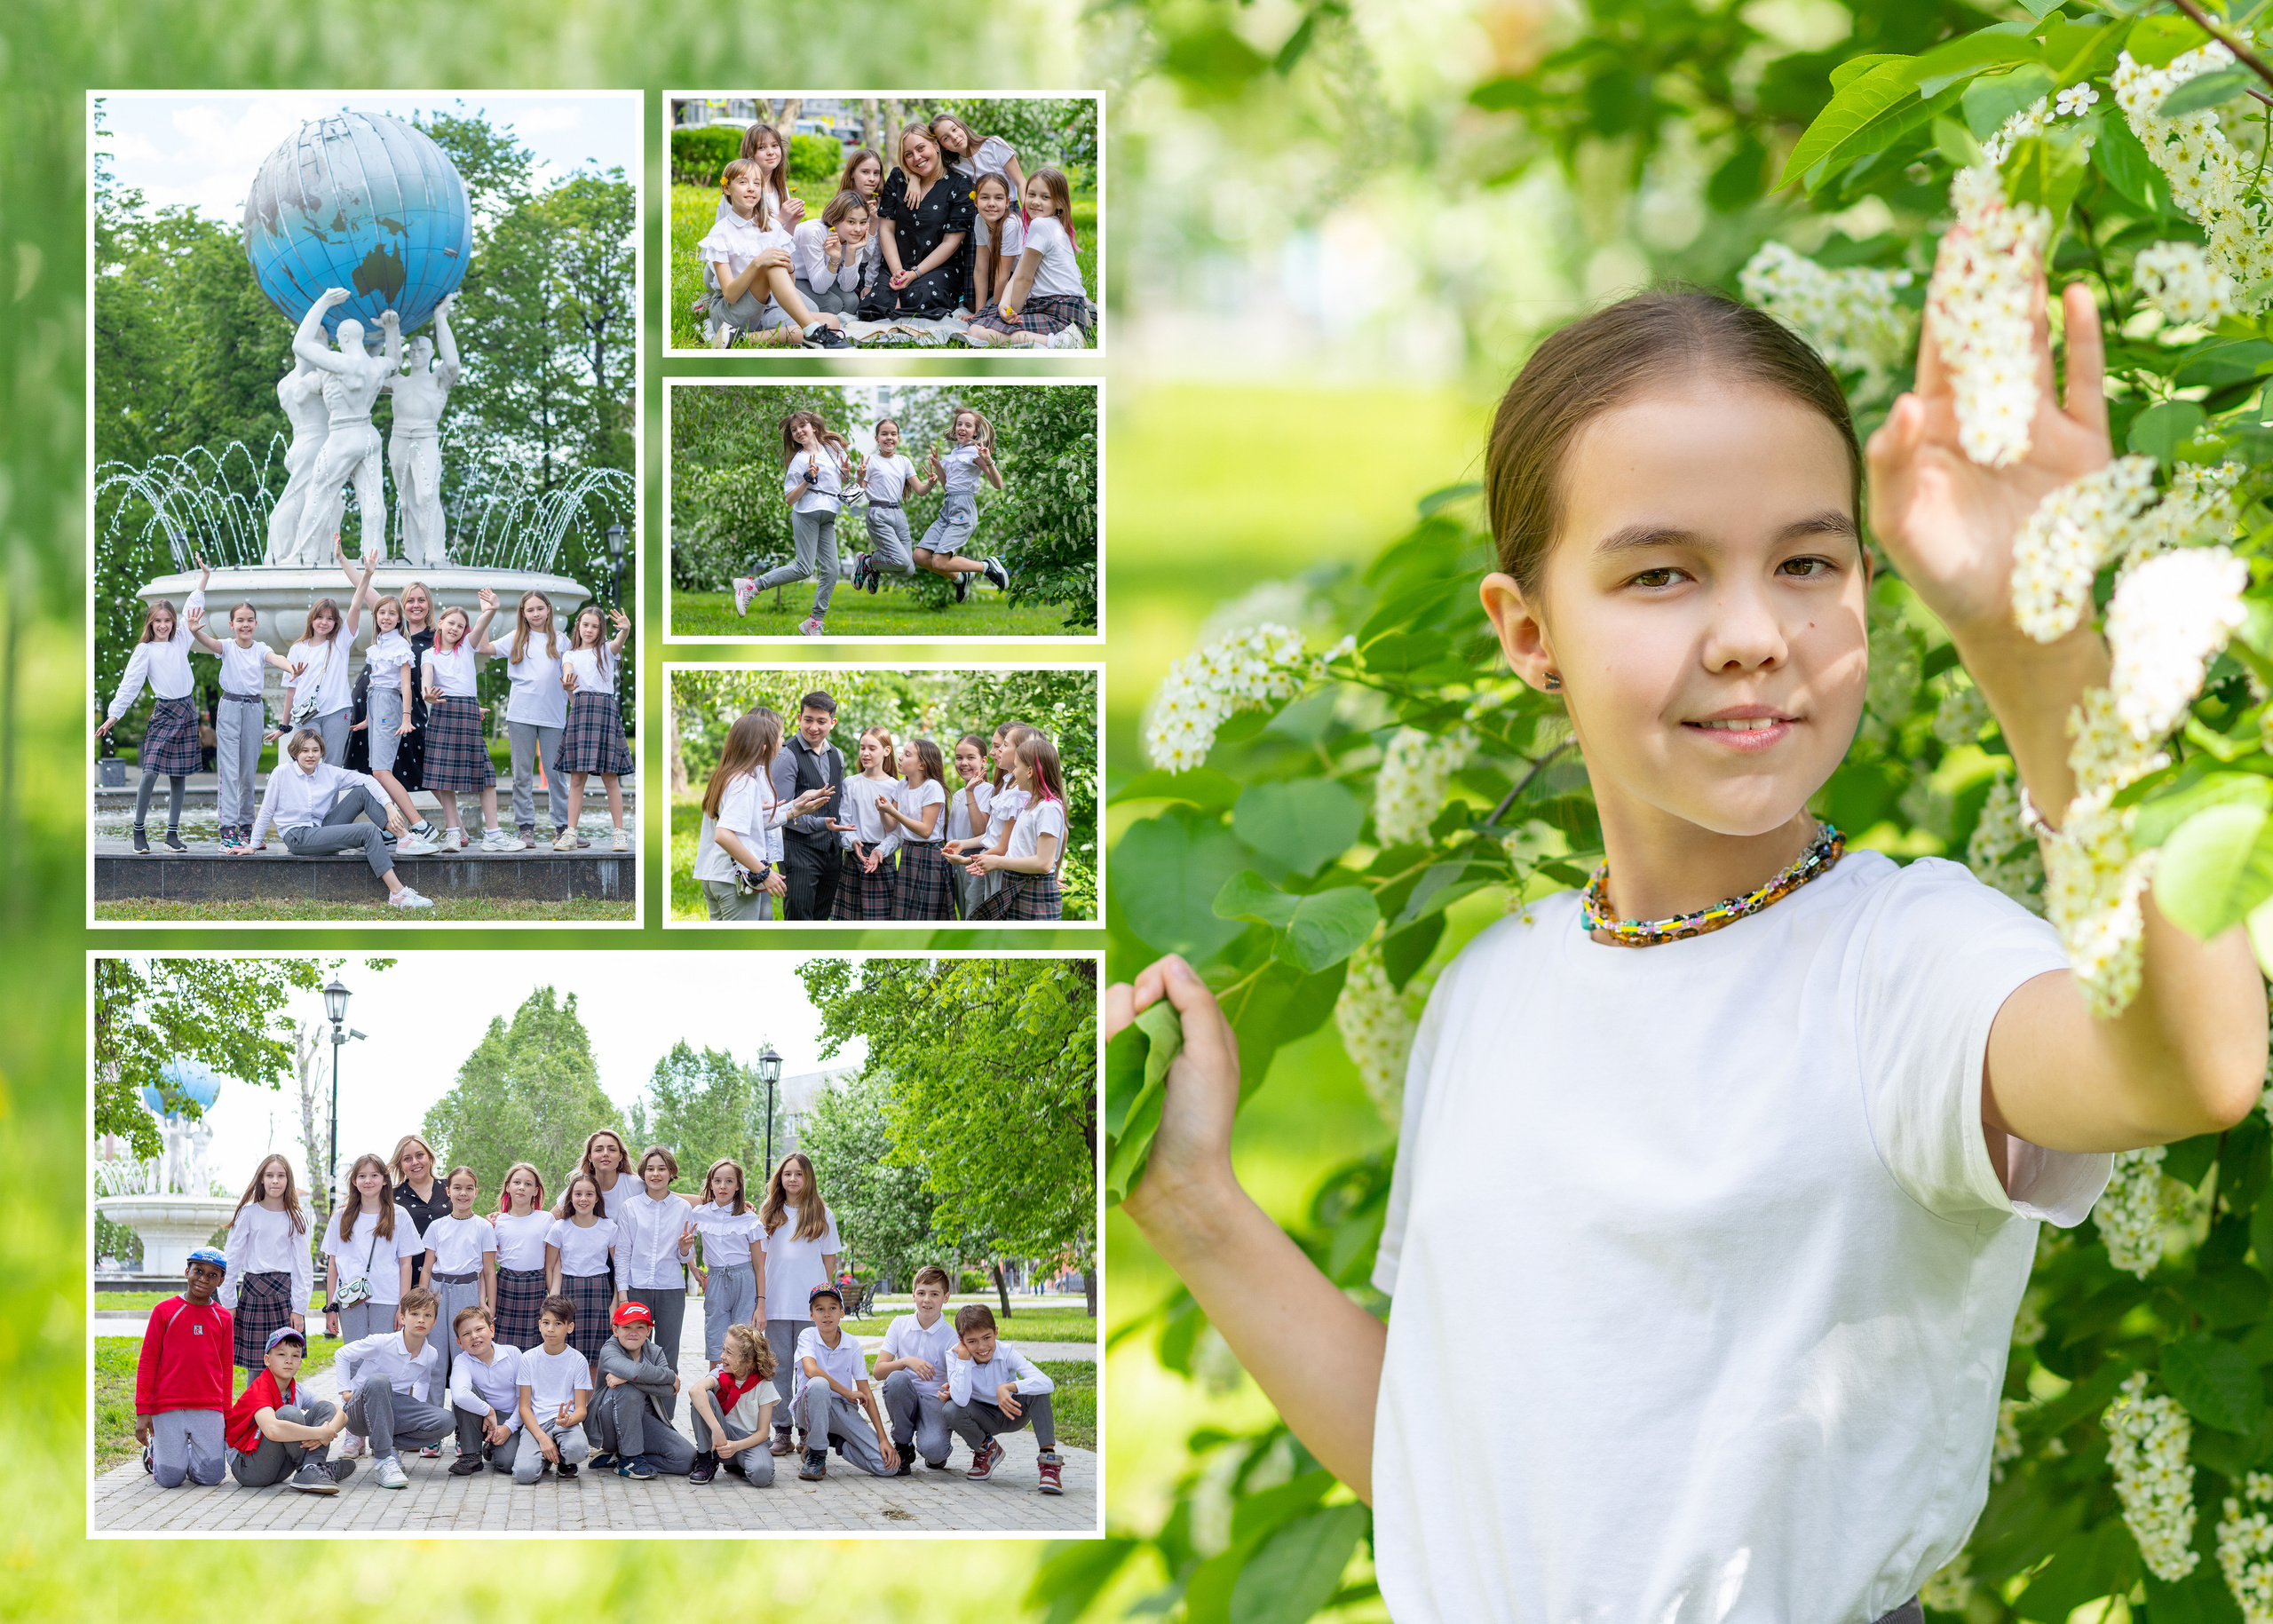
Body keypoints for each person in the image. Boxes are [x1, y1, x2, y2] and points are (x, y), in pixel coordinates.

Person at [1110, 281, 2273, 1622]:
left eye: (1808, 563)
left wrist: (2037, 655)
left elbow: (2193, 1066)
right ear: (1528, 632)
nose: (1750, 635)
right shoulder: (1491, 992)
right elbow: (1452, 1466)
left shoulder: (1904, 963)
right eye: (1661, 572)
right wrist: (1195, 1205)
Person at [240, 728, 432, 909]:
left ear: (321, 752)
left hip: (321, 827)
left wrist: (389, 805)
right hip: (298, 836)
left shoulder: (328, 772)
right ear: (295, 752)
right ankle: (398, 894)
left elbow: (368, 779)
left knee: (362, 792)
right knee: (368, 830)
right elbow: (266, 811)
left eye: (315, 750)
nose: (310, 755)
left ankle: (405, 838)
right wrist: (253, 845)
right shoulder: (281, 773)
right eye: (305, 750)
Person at [99, 560, 211, 853]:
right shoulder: (144, 650)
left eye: (168, 621)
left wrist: (204, 577)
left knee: (179, 776)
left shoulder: (181, 640)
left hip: (186, 711)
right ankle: (139, 830)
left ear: (173, 623)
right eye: (157, 621)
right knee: (149, 771)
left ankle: (172, 834)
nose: (163, 626)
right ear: (150, 624)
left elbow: (191, 607)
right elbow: (130, 684)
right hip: (164, 713)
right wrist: (114, 715)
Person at [183, 589, 299, 851]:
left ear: (256, 625)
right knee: (229, 771)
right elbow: (208, 642)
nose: (245, 625)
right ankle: (227, 831)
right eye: (240, 620)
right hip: (231, 707)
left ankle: (247, 830)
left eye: (250, 620)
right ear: (232, 624)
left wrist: (290, 667)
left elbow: (276, 658)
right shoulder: (226, 646)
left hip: (254, 709)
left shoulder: (261, 649)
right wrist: (194, 631)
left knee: (248, 773)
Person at [691, 706, 829, 921]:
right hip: (733, 880)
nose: (782, 743)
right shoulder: (744, 783)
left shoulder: (725, 775)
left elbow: (745, 821)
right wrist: (763, 872)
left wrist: (794, 808)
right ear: (764, 747)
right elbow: (723, 834)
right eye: (779, 738)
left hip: (713, 877)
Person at [695, 157, 848, 350]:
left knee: (831, 321)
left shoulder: (773, 227)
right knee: (770, 265)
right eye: (743, 182)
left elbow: (788, 285)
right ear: (727, 188)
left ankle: (742, 339)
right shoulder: (721, 233)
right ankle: (811, 332)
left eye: (757, 183)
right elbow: (730, 295)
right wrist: (757, 263)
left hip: (768, 308)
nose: (751, 188)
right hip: (733, 312)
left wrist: (790, 268)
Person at [731, 410, 853, 637]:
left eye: (801, 426)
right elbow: (789, 499)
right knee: (804, 568)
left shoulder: (833, 448)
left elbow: (841, 480)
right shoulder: (799, 461)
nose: (798, 432)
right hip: (806, 513)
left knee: (832, 569)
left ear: (813, 427)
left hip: (828, 516)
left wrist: (846, 473)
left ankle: (814, 622)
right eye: (793, 430)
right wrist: (807, 479)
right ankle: (752, 586)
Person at [467, 589, 568, 851]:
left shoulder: (563, 641)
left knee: (556, 774)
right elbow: (482, 647)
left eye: (539, 608)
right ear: (523, 613)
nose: (535, 614)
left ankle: (563, 829)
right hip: (521, 715)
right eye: (530, 610)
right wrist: (488, 612)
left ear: (548, 609)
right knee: (521, 774)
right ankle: (526, 829)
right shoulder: (516, 638)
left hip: (554, 717)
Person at [757, 1152, 842, 1456]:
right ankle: (782, 1431)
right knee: (777, 1370)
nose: (792, 1179)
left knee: (809, 1372)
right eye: (787, 1174)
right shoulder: (770, 1213)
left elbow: (828, 1264)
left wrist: (824, 1306)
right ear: (780, 1178)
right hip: (777, 1306)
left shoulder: (822, 1214)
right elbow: (761, 1262)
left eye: (799, 1174)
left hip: (810, 1310)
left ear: (808, 1179)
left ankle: (807, 1431)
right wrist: (761, 1303)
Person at [321, 1152, 425, 1383]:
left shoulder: (400, 1215)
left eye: (374, 1175)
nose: (368, 1181)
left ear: (385, 1180)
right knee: (354, 1358)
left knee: (384, 1359)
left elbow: (406, 1264)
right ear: (354, 1181)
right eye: (362, 1176)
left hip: (387, 1298)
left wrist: (403, 1306)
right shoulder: (341, 1217)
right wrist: (330, 1307)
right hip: (350, 1300)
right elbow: (333, 1265)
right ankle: (354, 1414)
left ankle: (382, 1414)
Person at [419, 597, 512, 852]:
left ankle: (493, 834)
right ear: (440, 623)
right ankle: (452, 833)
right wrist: (427, 694)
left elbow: (481, 626)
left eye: (461, 626)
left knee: (486, 774)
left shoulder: (467, 648)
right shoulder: (429, 654)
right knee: (443, 778)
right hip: (442, 710)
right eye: (451, 623)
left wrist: (491, 610)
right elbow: (426, 678)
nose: (455, 629)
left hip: (468, 712)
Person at [134, 1248, 233, 1488]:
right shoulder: (164, 1311)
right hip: (168, 1405)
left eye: (212, 1275)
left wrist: (226, 1413)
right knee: (169, 1480)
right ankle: (157, 1453)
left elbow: (226, 1369)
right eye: (198, 1271)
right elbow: (148, 1362)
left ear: (221, 1280)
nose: (203, 1279)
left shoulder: (224, 1318)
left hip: (208, 1405)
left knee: (211, 1478)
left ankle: (184, 1448)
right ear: (187, 1271)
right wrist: (142, 1410)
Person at [336, 1284, 449, 1490]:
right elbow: (342, 1354)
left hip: (393, 1411)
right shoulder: (382, 1342)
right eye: (414, 1313)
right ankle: (383, 1460)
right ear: (403, 1318)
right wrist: (345, 1391)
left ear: (434, 1321)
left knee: (446, 1420)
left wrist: (418, 1407)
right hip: (360, 1411)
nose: (421, 1319)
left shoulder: (430, 1354)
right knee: (379, 1381)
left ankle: (385, 1443)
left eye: (428, 1315)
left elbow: (423, 1381)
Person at [942, 1303, 1063, 1493]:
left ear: (996, 1332)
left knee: (1039, 1391)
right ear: (961, 1340)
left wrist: (1007, 1387)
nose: (982, 1347)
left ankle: (1049, 1464)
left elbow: (1047, 1382)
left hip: (1012, 1412)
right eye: (972, 1341)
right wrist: (964, 1359)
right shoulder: (955, 1356)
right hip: (983, 1418)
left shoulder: (1007, 1353)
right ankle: (987, 1449)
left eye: (987, 1338)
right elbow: (961, 1400)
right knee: (950, 1409)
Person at [965, 168, 1089, 349]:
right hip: (1060, 306)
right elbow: (1017, 276)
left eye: (1045, 197)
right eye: (1031, 194)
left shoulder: (1041, 225)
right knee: (987, 315)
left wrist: (1011, 313)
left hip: (1058, 310)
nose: (1036, 202)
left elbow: (1024, 280)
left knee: (976, 331)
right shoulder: (1047, 224)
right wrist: (1003, 307)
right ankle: (1075, 324)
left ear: (1059, 203)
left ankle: (1061, 341)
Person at [280, 540, 377, 764]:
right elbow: (290, 691)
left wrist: (366, 575)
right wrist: (284, 725)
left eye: (330, 618)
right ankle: (306, 802)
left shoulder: (340, 643)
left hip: (337, 712)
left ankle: (330, 803)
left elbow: (355, 605)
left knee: (332, 765)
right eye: (320, 617)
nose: (324, 622)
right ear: (312, 619)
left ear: (336, 623)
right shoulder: (297, 649)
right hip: (306, 715)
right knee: (305, 762)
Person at [225, 1325, 352, 1493]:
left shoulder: (296, 1390)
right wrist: (320, 1434)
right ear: (267, 1360)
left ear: (300, 1363)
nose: (288, 1360)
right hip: (249, 1468)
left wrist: (328, 1431)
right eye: (281, 1354)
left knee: (325, 1407)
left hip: (280, 1466)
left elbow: (340, 1414)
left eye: (295, 1356)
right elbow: (272, 1430)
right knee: (288, 1414)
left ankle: (312, 1466)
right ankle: (315, 1467)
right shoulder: (259, 1389)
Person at [218, 1152, 313, 1374]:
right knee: (256, 1366)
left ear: (288, 1180)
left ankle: (283, 1409)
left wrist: (298, 1309)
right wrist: (229, 1303)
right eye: (270, 1175)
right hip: (253, 1294)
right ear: (261, 1178)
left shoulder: (296, 1217)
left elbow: (303, 1267)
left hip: (284, 1296)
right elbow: (231, 1260)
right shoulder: (248, 1214)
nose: (275, 1181)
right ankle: (255, 1408)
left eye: (281, 1175)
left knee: (285, 1363)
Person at [352, 590, 434, 848]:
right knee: (378, 771)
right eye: (381, 612)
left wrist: (407, 717)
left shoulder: (399, 645)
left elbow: (405, 687)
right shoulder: (379, 645)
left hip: (389, 704)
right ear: (375, 616)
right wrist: (368, 718)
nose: (386, 617)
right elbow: (374, 683)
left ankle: (421, 825)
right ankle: (389, 829)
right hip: (377, 705)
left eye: (391, 613)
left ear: (399, 619)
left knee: (382, 771)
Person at [792, 1283, 898, 1481]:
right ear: (811, 1315)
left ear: (842, 1312)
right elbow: (811, 1370)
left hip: (841, 1408)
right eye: (819, 1309)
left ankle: (836, 1442)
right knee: (818, 1384)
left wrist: (883, 1439)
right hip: (808, 1407)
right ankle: (816, 1454)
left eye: (832, 1308)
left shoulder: (852, 1344)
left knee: (888, 1467)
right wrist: (848, 1392)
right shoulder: (807, 1335)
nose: (826, 1314)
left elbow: (866, 1392)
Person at [961, 732, 1070, 921]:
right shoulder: (1031, 806)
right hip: (1017, 884)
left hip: (1033, 891)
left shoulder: (1048, 808)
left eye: (1017, 767)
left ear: (1029, 772)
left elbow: (1043, 864)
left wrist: (998, 862)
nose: (1013, 773)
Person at [869, 123, 973, 321]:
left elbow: (951, 243)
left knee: (922, 297)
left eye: (920, 148)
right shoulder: (898, 179)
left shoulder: (960, 184)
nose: (916, 158)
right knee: (879, 301)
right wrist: (897, 271)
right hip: (898, 263)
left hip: (939, 267)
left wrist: (915, 273)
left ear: (935, 145)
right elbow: (886, 230)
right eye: (909, 154)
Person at [554, 605, 635, 852]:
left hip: (604, 711)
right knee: (577, 777)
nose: (589, 629)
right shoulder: (569, 655)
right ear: (578, 625)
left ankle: (619, 834)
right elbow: (568, 674)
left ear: (601, 630)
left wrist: (626, 629)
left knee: (610, 777)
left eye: (595, 626)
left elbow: (618, 643)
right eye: (585, 624)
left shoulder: (606, 650)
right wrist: (568, 683)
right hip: (581, 710)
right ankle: (570, 833)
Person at [590, 1300, 696, 1480]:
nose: (633, 1332)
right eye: (626, 1327)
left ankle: (621, 1459)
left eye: (640, 1327)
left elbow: (667, 1391)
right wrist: (670, 1376)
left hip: (641, 1420)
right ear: (616, 1330)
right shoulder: (610, 1350)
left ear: (648, 1331)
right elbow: (637, 1372)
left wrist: (627, 1379)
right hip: (608, 1422)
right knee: (629, 1392)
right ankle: (629, 1460)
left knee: (686, 1459)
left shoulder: (654, 1352)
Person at [612, 1145, 698, 1364]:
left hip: (671, 1289)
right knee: (634, 1354)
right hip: (637, 1288)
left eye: (662, 1169)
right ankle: (636, 1399)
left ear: (671, 1173)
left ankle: (666, 1399)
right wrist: (623, 1295)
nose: (656, 1174)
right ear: (643, 1173)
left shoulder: (683, 1208)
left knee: (669, 1355)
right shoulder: (630, 1207)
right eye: (650, 1169)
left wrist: (684, 1248)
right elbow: (622, 1254)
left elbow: (685, 1257)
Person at [915, 408, 1011, 602]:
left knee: (940, 562)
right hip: (948, 506)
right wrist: (938, 466)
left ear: (975, 432)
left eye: (968, 425)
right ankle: (961, 577)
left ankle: (987, 566)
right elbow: (947, 486)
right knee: (920, 557)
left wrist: (989, 461)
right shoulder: (954, 453)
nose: (962, 428)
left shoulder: (975, 454)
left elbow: (998, 484)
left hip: (963, 509)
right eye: (960, 424)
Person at [873, 1264, 958, 1473]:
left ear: (946, 1298)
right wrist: (906, 1361)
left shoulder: (951, 1336)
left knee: (934, 1450)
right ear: (913, 1295)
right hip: (905, 1396)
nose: (926, 1300)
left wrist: (951, 1390)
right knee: (896, 1380)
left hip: (934, 1399)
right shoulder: (899, 1324)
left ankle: (935, 1449)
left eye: (934, 1294)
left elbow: (958, 1379)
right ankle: (903, 1446)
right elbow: (878, 1371)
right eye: (921, 1293)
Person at [419, 1164, 498, 1390]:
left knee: (466, 1354)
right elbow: (426, 1268)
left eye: (469, 1188)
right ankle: (433, 1418)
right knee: (435, 1355)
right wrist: (424, 1302)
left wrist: (488, 1305)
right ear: (448, 1191)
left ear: (476, 1192)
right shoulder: (437, 1227)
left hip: (467, 1291)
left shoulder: (483, 1227)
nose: (463, 1193)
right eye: (457, 1188)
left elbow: (489, 1271)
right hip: (437, 1292)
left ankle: (466, 1419)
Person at [772, 692, 848, 922]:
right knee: (799, 918)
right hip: (798, 850)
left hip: (832, 852)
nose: (813, 727)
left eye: (821, 721)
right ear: (799, 718)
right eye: (808, 719)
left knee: (822, 918)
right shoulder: (787, 756)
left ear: (832, 723)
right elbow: (780, 813)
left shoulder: (838, 756)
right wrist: (818, 824)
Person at [688, 1158, 765, 1371]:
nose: (723, 1186)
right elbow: (685, 1249)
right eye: (718, 1181)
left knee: (745, 1344)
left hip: (744, 1282)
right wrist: (692, 1264)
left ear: (738, 1186)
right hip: (716, 1281)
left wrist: (761, 1305)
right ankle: (717, 1398)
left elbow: (759, 1267)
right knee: (716, 1343)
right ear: (710, 1184)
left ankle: (743, 1400)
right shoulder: (699, 1214)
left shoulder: (749, 1218)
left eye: (729, 1181)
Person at [511, 1295, 594, 1484]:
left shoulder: (578, 1360)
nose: (550, 1329)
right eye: (546, 1323)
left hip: (565, 1424)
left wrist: (569, 1420)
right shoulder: (529, 1358)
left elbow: (581, 1410)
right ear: (539, 1324)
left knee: (578, 1450)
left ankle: (565, 1459)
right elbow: (524, 1408)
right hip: (536, 1424)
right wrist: (542, 1438)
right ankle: (547, 1454)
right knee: (524, 1475)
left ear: (569, 1327)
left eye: (558, 1324)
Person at [844, 417, 931, 595]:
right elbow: (858, 492)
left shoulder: (904, 461)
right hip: (878, 513)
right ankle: (867, 562)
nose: (889, 437)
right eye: (884, 434)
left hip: (898, 514)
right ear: (877, 438)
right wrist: (860, 477)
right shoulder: (870, 460)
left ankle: (873, 567)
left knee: (908, 570)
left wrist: (930, 483)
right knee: (900, 561)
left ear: (899, 438)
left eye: (893, 434)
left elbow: (921, 491)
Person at [687, 1321, 780, 1487]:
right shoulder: (720, 1373)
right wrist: (716, 1430)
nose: (722, 1356)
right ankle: (706, 1458)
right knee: (704, 1396)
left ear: (748, 1361)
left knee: (762, 1476)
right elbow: (695, 1391)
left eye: (728, 1353)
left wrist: (736, 1447)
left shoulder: (764, 1385)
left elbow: (763, 1433)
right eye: (723, 1349)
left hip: (748, 1442)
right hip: (721, 1436)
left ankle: (737, 1464)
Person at [544, 1171, 620, 1370]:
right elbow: (550, 1266)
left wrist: (615, 1302)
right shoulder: (560, 1228)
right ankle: (568, 1401)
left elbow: (618, 1267)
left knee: (596, 1357)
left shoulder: (609, 1227)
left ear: (597, 1198)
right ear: (570, 1197)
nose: (583, 1199)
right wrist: (554, 1299)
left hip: (599, 1291)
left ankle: (590, 1402)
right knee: (567, 1353)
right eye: (578, 1194)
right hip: (569, 1291)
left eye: (589, 1194)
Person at [828, 725, 903, 922]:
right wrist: (852, 842)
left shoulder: (897, 787)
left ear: (887, 751)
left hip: (882, 860)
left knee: (879, 922)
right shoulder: (851, 783)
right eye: (862, 747)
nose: (865, 753)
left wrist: (881, 851)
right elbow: (844, 821)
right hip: (854, 857)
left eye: (872, 748)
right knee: (848, 922)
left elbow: (897, 832)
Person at [444, 1304, 522, 1477]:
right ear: (459, 1342)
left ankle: (491, 1448)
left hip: (513, 1416)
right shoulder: (462, 1361)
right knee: (466, 1391)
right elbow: (459, 1395)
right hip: (481, 1417)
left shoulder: (513, 1354)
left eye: (479, 1329)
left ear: (492, 1330)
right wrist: (489, 1411)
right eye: (466, 1334)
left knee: (508, 1464)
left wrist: (508, 1427)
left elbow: (525, 1399)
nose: (474, 1336)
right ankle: (471, 1455)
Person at [882, 737, 954, 920]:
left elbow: (925, 830)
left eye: (907, 754)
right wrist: (883, 811)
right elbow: (891, 825)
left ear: (922, 765)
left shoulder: (932, 787)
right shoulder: (902, 785)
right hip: (909, 853)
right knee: (904, 914)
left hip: (931, 855)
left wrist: (892, 811)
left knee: (926, 916)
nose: (900, 758)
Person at [489, 1161, 554, 1354]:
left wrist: (554, 1294)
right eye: (517, 1182)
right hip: (506, 1284)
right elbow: (488, 1266)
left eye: (528, 1184)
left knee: (534, 1344)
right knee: (502, 1345)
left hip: (536, 1284)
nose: (521, 1187)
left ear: (535, 1190)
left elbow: (553, 1261)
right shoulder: (496, 1222)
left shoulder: (546, 1219)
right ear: (508, 1187)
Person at [789, 190, 880, 316]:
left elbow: (847, 287)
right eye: (851, 222)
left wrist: (851, 252)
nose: (858, 229)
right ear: (836, 220)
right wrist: (834, 260)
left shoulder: (855, 237)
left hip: (818, 278)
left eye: (863, 222)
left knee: (852, 301)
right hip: (794, 277)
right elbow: (819, 288)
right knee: (832, 304)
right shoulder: (813, 232)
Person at [942, 733, 996, 917]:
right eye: (959, 758)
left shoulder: (989, 791)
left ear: (983, 761)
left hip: (975, 864)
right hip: (956, 866)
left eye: (970, 757)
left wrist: (970, 793)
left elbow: (981, 831)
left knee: (974, 916)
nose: (964, 763)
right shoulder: (958, 794)